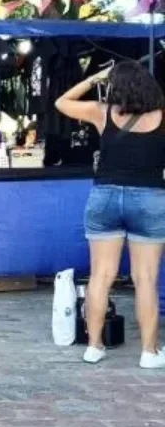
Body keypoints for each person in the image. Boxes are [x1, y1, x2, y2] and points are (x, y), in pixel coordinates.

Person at [56, 61, 165, 369]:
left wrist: (94, 78)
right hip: (150, 197)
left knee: (101, 276)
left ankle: (94, 346)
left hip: (104, 196)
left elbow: (61, 103)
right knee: (145, 279)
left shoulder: (103, 112)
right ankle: (149, 352)